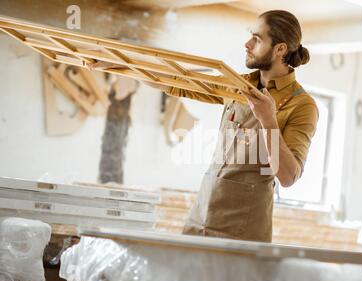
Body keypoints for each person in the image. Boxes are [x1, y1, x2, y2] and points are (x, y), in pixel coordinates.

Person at [89, 10, 319, 243]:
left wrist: (268, 121)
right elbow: (177, 83)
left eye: (257, 39)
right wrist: (120, 64)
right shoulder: (239, 84)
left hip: (245, 227)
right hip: (202, 214)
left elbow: (289, 176)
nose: (247, 44)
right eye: (251, 35)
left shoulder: (302, 105)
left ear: (280, 49)